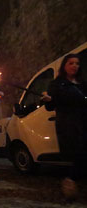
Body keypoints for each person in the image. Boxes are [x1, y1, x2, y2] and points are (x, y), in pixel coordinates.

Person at [43, 53, 87, 198]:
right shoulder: (57, 84)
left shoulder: (82, 83)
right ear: (64, 66)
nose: (75, 66)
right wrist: (49, 100)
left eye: (77, 63)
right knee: (79, 153)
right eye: (71, 63)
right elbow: (50, 106)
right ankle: (70, 180)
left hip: (84, 121)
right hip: (70, 125)